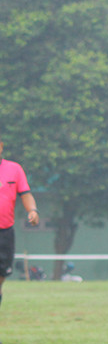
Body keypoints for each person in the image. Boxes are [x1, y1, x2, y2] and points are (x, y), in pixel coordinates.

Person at [0, 138, 40, 331]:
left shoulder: (14, 169)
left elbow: (25, 193)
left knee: (1, 278)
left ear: (1, 147)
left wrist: (33, 210)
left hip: (5, 232)